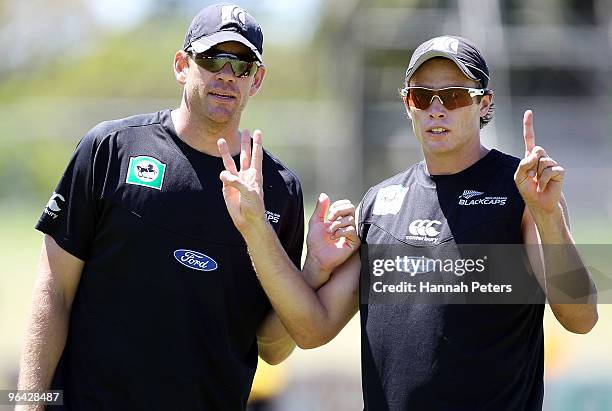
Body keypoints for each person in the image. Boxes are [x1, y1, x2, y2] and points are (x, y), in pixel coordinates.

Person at [218, 35, 598, 410]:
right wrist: (274, 240)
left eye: (453, 96)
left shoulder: (521, 192)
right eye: (421, 96)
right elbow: (311, 329)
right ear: (407, 103)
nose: (436, 109)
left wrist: (548, 216)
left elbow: (581, 317)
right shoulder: (380, 203)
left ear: (484, 104)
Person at [17, 4, 357, 410]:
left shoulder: (279, 191)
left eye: (243, 65)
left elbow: (273, 348)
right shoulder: (111, 150)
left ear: (257, 80)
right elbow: (53, 290)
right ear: (182, 65)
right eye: (214, 58)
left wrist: (312, 272)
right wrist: (27, 404)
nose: (228, 76)